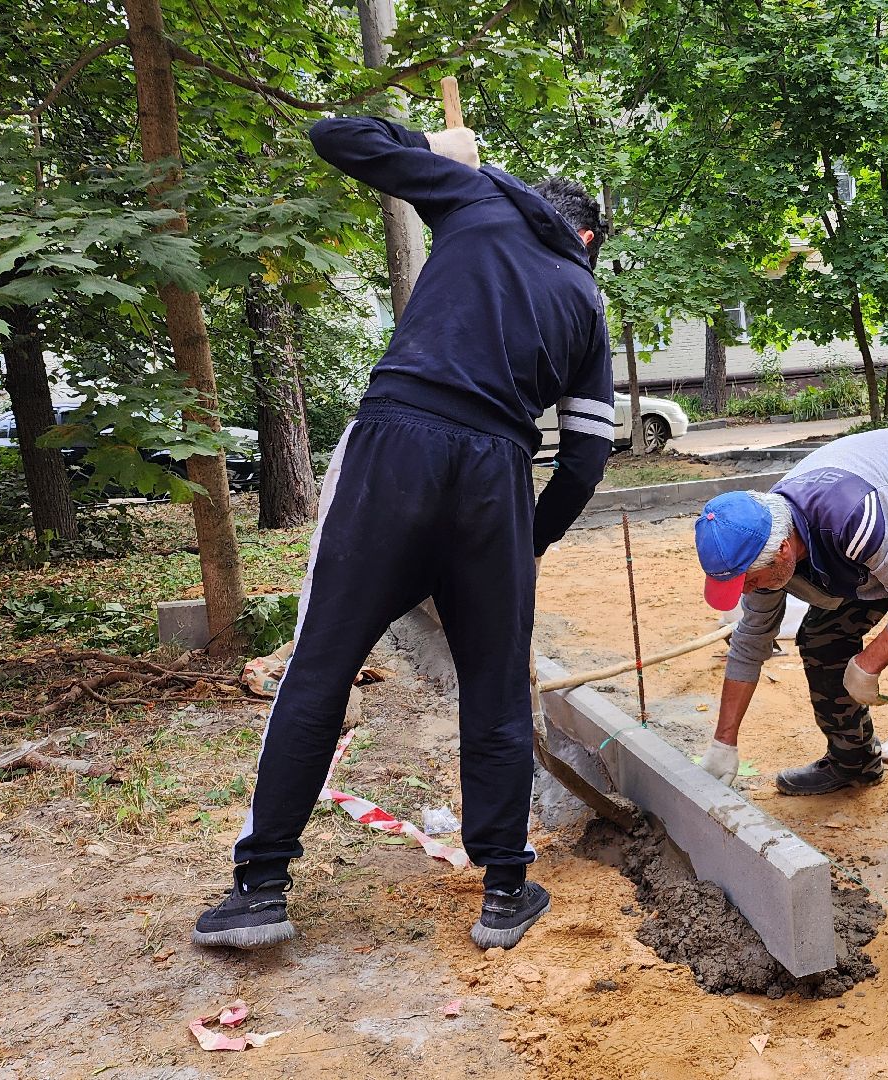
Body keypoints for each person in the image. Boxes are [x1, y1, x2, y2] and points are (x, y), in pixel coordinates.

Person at [192, 116, 612, 952]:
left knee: (321, 664)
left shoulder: (479, 197)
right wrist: (521, 547)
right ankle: (503, 894)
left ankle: (260, 890)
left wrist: (427, 148)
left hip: (396, 446)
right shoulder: (586, 301)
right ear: (587, 236)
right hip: (498, 475)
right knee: (495, 687)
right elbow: (584, 463)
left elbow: (333, 135)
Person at [692, 428, 888, 884]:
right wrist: (724, 743)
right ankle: (852, 761)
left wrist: (868, 665)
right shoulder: (760, 542)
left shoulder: (853, 517)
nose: (749, 592)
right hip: (878, 539)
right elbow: (751, 641)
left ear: (781, 552)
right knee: (821, 639)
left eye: (751, 581)